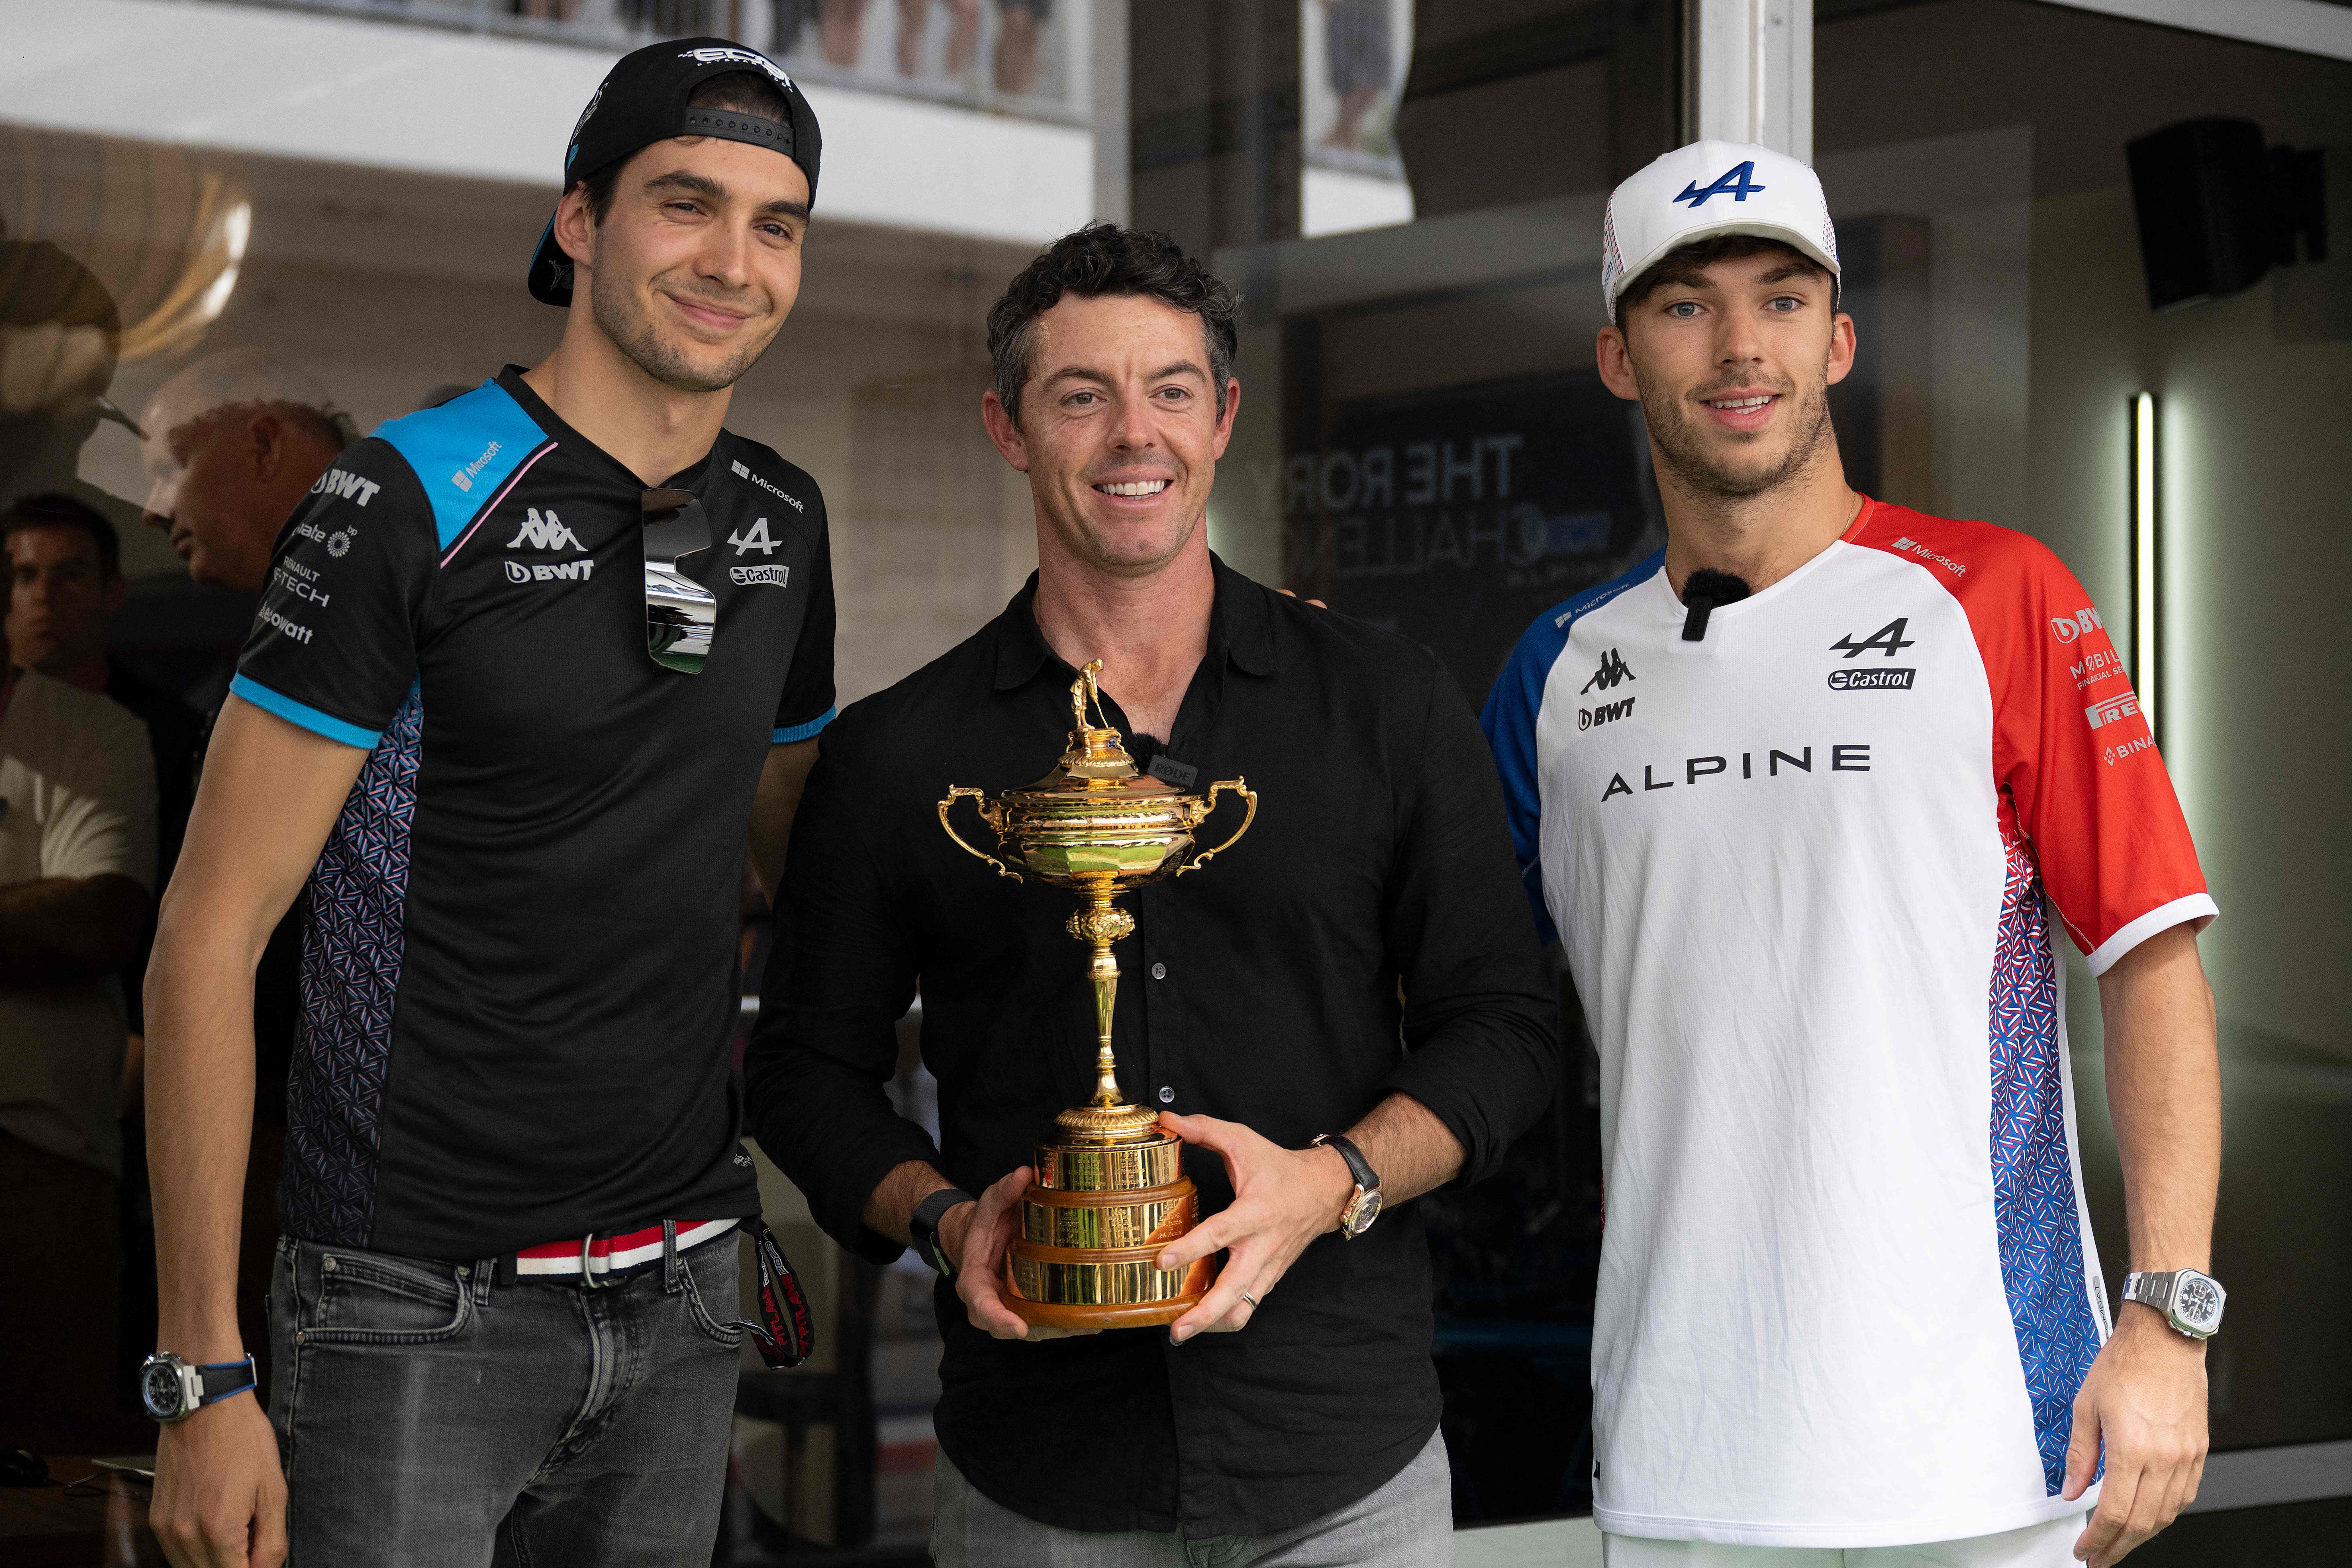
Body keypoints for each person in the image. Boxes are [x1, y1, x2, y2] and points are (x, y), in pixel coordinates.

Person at [748, 222, 1558, 1566]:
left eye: (1172, 389)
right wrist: (950, 1220)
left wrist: (1330, 1179)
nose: (1137, 434)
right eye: (1084, 394)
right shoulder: (905, 754)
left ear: (1225, 414)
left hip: (1342, 1468)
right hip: (1038, 1474)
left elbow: (1507, 1026)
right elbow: (804, 1071)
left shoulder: (1383, 699)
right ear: (1009, 426)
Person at [143, 38, 835, 1568]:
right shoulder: (403, 498)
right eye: (686, 204)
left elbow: (797, 835)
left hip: (686, 1295)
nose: (735, 262)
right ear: (581, 222)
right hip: (408, 1307)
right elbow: (208, 930)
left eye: (776, 223)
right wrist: (202, 1370)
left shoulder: (784, 518)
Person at [1481, 141, 2222, 1568]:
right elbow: (1466, 1001)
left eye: (1779, 297)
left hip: (1987, 1452)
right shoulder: (1556, 674)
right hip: (1680, 1457)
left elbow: (2154, 956)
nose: (1740, 344)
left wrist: (2169, 1315)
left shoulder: (1998, 598)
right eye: (1685, 305)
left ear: (1840, 337)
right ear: (1618, 356)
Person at [6, 489, 203, 1408]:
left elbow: (113, 918)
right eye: (23, 576)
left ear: (113, 590)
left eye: (69, 574)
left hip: (105, 1080)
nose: (44, 597)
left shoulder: (148, 733)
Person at [0, 619, 156, 1449]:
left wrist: (50, 918)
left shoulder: (92, 731)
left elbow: (95, 923)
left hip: (46, 1150)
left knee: (54, 1460)